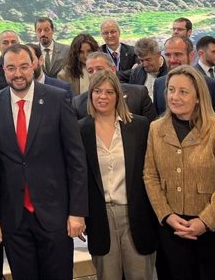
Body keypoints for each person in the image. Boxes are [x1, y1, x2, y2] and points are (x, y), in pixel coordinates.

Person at [0, 44, 88, 280]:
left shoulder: (57, 98)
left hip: (56, 215)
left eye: (23, 66)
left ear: (34, 65)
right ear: (3, 71)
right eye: (11, 68)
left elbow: (76, 159)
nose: (18, 73)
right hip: (13, 219)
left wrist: (77, 212)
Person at [143, 65, 215, 280]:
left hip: (213, 231)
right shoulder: (156, 128)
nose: (174, 97)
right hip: (172, 230)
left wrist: (204, 221)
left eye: (183, 91)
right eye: (170, 90)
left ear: (198, 97)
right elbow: (150, 176)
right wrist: (166, 215)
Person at [79, 70, 157, 280]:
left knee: (140, 275)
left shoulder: (139, 126)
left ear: (118, 96)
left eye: (109, 92)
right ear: (90, 94)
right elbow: (78, 178)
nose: (102, 97)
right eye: (97, 91)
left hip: (135, 215)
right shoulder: (80, 130)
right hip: (100, 216)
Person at [153, 36, 215, 120]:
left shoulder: (213, 86)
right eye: (168, 55)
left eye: (177, 54)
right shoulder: (158, 84)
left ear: (192, 56)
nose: (172, 60)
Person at [73, 52, 156, 122]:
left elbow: (152, 131)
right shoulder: (78, 103)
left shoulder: (139, 94)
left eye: (99, 69)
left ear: (113, 70)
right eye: (90, 71)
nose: (95, 74)